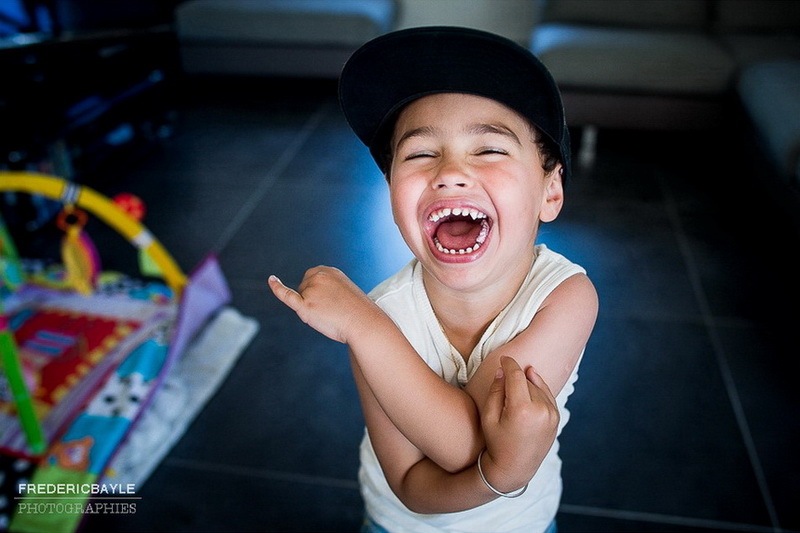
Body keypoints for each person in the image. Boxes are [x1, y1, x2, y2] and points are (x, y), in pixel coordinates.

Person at [268, 26, 598, 533]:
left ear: (550, 193)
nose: (450, 172)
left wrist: (367, 330)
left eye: (489, 149)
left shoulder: (564, 296)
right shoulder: (381, 313)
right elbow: (413, 488)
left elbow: (465, 448)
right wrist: (503, 471)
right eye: (420, 154)